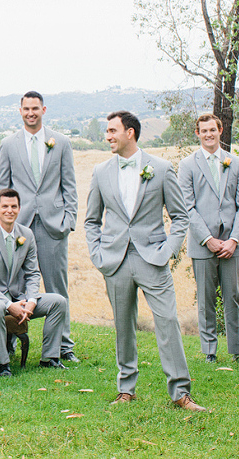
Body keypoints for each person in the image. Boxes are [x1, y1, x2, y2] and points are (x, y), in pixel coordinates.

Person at [85, 111, 206, 411]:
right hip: (114, 260)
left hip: (152, 258)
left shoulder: (161, 169)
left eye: (113, 131)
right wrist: (98, 254)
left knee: (167, 322)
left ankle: (181, 393)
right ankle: (126, 389)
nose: (108, 136)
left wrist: (167, 251)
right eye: (107, 131)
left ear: (130, 133)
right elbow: (91, 221)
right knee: (123, 326)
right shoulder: (100, 172)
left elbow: (181, 217)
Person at [0, 91, 79, 362]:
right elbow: (1, 186)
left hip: (53, 225)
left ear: (44, 109)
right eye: (26, 108)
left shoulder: (61, 142)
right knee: (13, 286)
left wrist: (69, 221)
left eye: (35, 108)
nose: (31, 113)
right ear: (20, 111)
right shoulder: (9, 144)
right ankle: (10, 340)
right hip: (18, 226)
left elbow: (70, 185)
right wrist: (4, 224)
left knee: (57, 287)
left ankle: (63, 347)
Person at [0, 189, 70, 376]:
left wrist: (31, 301)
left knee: (58, 302)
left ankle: (50, 358)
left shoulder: (26, 235)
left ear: (20, 209)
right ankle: (3, 364)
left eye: (14, 206)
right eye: (5, 206)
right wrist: (8, 304)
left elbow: (32, 273)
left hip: (18, 298)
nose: (9, 210)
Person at [178, 113, 239, 364]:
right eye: (203, 131)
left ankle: (237, 351)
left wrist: (234, 240)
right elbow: (186, 207)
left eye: (212, 129)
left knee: (233, 297)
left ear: (220, 130)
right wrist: (207, 238)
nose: (208, 134)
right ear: (197, 134)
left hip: (232, 244)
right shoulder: (187, 165)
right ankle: (209, 350)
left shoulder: (236, 163)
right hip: (203, 243)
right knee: (206, 298)